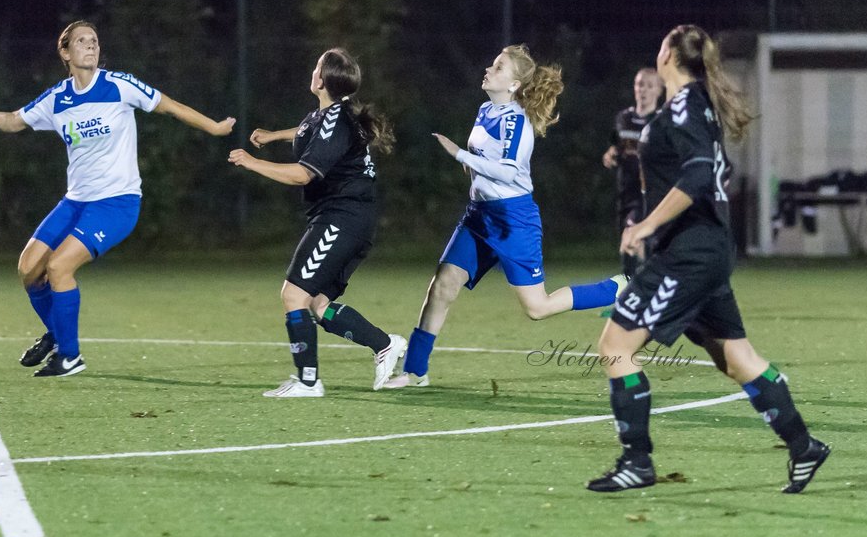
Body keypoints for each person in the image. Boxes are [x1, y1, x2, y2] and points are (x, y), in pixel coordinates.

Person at [588, 25, 830, 494]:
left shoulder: (683, 106)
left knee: (615, 346)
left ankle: (637, 462)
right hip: (707, 250)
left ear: (669, 56)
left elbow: (700, 174)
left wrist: (647, 225)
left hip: (689, 254)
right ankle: (804, 447)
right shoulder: (691, 105)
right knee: (737, 359)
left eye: (661, 44)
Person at [0, 20, 234, 377]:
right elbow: (17, 120)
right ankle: (59, 336)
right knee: (28, 269)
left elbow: (168, 105)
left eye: (94, 41)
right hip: (75, 201)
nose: (91, 46)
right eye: (81, 41)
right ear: (65, 52)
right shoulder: (57, 98)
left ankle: (70, 357)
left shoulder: (119, 86)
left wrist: (214, 127)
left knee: (59, 268)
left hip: (117, 203)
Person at [382, 44, 627, 390]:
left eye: (498, 67)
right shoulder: (485, 110)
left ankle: (617, 288)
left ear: (514, 85)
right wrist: (471, 174)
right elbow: (481, 164)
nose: (488, 69)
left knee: (537, 308)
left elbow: (508, 171)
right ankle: (415, 371)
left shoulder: (516, 121)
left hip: (514, 220)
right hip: (479, 216)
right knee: (442, 286)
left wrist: (460, 155)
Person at [228, 48, 406, 398]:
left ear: (321, 80)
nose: (313, 71)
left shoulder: (336, 121)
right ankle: (385, 345)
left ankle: (308, 381)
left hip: (342, 218)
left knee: (293, 295)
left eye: (317, 67)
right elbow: (309, 129)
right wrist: (273, 136)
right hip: (353, 220)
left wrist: (252, 162)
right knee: (317, 304)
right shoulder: (329, 115)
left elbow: (303, 175)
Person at [601, 67, 664, 278]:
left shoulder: (661, 121)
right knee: (628, 244)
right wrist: (610, 155)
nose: (642, 90)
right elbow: (616, 147)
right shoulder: (623, 118)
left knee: (631, 237)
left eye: (649, 85)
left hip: (646, 194)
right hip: (624, 191)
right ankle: (638, 291)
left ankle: (636, 292)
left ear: (659, 90)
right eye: (639, 84)